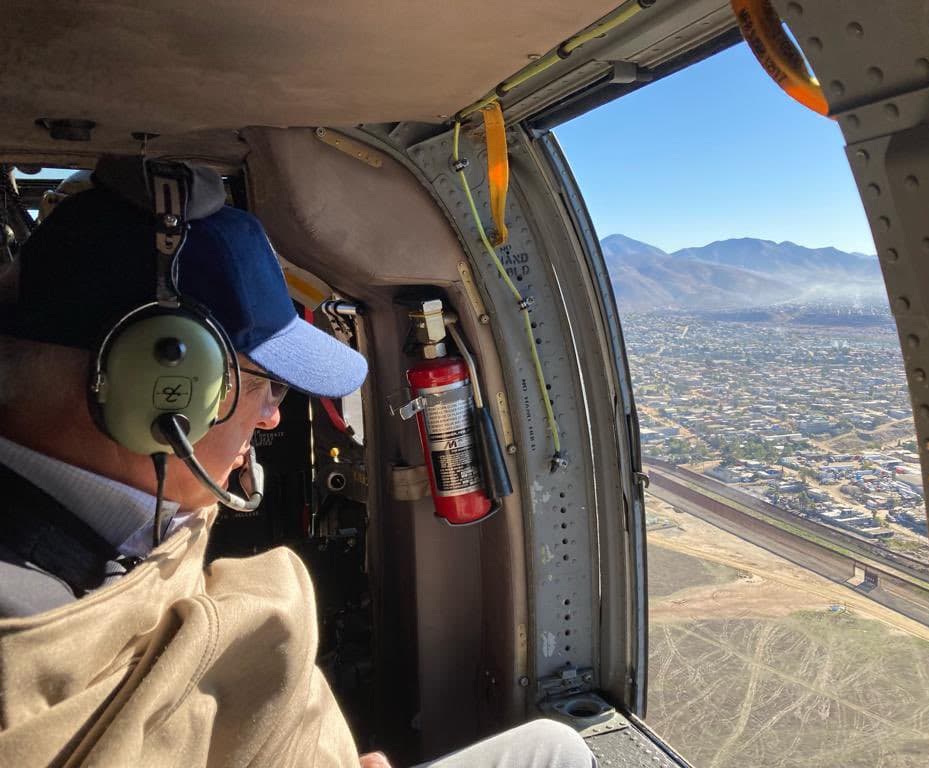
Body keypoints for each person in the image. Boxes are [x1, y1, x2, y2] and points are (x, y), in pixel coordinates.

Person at [0, 171, 594, 767]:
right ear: (162, 388)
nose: (268, 421)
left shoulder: (80, 527)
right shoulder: (25, 616)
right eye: (269, 386)